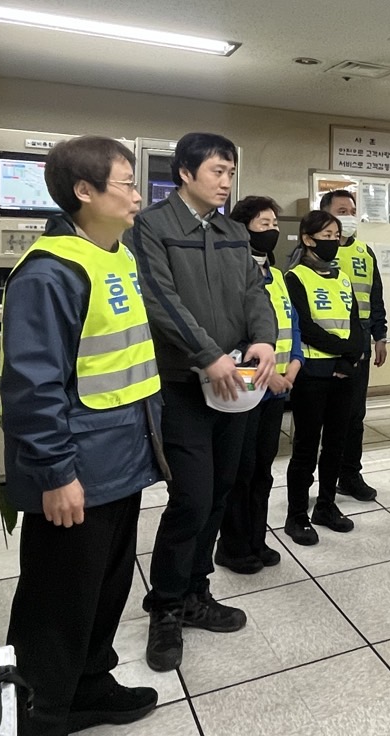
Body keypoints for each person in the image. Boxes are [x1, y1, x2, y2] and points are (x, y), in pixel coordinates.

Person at [2, 136, 167, 736]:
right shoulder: (49, 272)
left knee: (104, 588)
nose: (138, 195)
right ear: (84, 191)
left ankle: (90, 684)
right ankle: (40, 712)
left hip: (122, 460)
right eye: (126, 183)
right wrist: (56, 474)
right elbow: (32, 386)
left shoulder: (118, 257)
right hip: (76, 471)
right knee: (58, 599)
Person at [130, 132, 278, 672]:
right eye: (217, 170)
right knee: (191, 497)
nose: (226, 181)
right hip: (183, 383)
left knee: (220, 491)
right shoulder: (152, 226)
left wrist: (265, 339)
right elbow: (159, 298)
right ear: (185, 173)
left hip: (234, 382)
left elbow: (254, 291)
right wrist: (206, 354)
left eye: (231, 172)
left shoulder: (232, 230)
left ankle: (196, 592)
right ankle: (166, 607)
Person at [215, 196, 303, 574]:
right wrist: (271, 377)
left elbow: (291, 325)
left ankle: (256, 538)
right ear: (242, 229)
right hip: (247, 390)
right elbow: (232, 335)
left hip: (277, 389)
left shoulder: (278, 276)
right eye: (263, 224)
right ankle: (233, 546)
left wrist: (294, 366)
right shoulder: (229, 274)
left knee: (263, 470)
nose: (272, 230)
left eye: (274, 224)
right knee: (241, 470)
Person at [283, 210, 367, 544]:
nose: (333, 241)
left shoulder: (342, 277)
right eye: (326, 236)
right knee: (306, 445)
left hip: (343, 372)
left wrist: (350, 356)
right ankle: (296, 515)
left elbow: (355, 321)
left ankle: (326, 505)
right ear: (308, 239)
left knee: (336, 443)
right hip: (313, 373)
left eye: (336, 236)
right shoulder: (295, 277)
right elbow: (304, 325)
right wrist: (344, 351)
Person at [319, 189, 388, 502]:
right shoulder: (315, 252)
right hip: (325, 344)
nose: (348, 217)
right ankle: (321, 480)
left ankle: (349, 475)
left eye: (351, 211)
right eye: (341, 211)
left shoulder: (364, 252)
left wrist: (380, 335)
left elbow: (375, 297)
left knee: (355, 415)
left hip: (360, 342)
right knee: (325, 417)